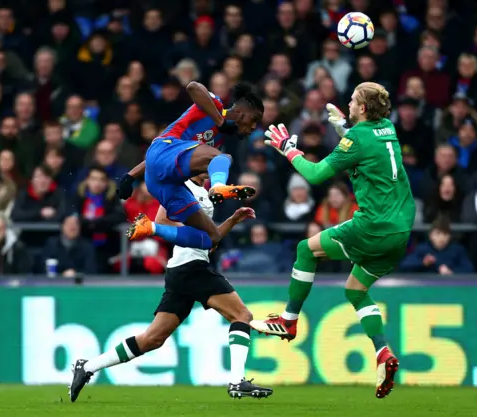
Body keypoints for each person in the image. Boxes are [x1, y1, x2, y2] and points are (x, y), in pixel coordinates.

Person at [251, 82, 416, 399]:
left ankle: (288, 321)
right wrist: (343, 125)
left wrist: (289, 148)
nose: (349, 102)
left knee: (305, 249)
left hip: (372, 226)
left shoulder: (357, 137)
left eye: (354, 100)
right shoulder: (387, 129)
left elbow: (314, 175)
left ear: (363, 108)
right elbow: (364, 144)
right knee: (355, 290)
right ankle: (383, 352)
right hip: (400, 232)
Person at [69, 174, 272, 402]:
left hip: (181, 270)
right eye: (205, 160)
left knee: (153, 339)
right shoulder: (180, 188)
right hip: (191, 267)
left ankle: (88, 366)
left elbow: (209, 242)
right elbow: (162, 222)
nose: (209, 164)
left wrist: (233, 220)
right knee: (242, 315)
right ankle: (236, 381)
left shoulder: (204, 193)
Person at [120, 82, 264, 251]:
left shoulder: (215, 143)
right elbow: (192, 87)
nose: (254, 126)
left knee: (213, 238)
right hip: (164, 148)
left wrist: (130, 176)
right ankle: (218, 187)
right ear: (239, 112)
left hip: (163, 180)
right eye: (253, 119)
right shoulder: (214, 105)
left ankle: (150, 227)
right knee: (224, 158)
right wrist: (220, 121)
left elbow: (165, 161)